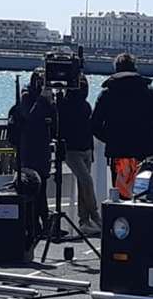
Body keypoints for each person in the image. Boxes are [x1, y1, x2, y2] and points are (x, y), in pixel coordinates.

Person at [91, 53, 153, 199]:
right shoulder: (150, 92)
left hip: (119, 152)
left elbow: (94, 124)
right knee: (144, 196)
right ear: (135, 68)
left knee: (122, 197)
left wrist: (111, 138)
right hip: (145, 153)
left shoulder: (107, 93)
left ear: (116, 69)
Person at [8, 70, 53, 231]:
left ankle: (44, 222)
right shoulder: (26, 97)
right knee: (33, 186)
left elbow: (52, 120)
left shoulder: (46, 98)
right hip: (29, 148)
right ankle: (36, 223)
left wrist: (51, 101)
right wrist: (42, 99)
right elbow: (31, 118)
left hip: (42, 147)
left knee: (42, 185)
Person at [58, 74, 99, 234]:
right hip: (72, 150)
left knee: (84, 185)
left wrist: (92, 150)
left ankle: (85, 221)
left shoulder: (86, 105)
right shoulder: (64, 104)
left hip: (85, 149)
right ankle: (95, 216)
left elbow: (89, 129)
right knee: (86, 182)